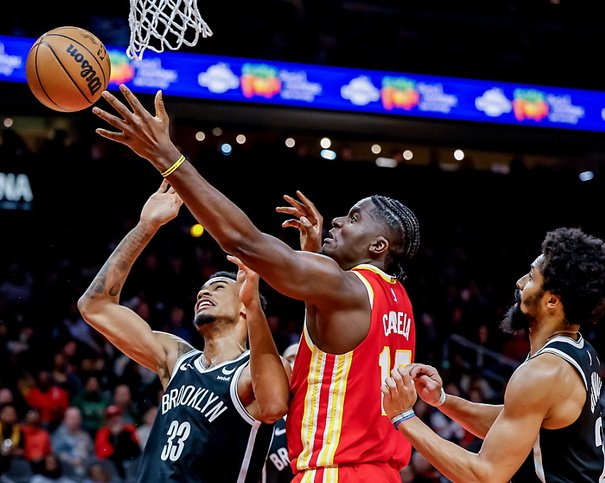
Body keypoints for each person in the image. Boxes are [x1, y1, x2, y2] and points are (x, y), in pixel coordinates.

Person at [92, 86, 421, 482]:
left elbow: (243, 241)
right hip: (376, 471)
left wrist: (166, 157)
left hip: (337, 471)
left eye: (352, 219)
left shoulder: (341, 291)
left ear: (378, 245)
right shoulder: (393, 299)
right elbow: (339, 355)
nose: (336, 220)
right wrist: (316, 260)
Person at [77, 179, 291, 482]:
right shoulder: (177, 359)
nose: (204, 293)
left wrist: (255, 305)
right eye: (202, 290)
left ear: (243, 305)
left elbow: (273, 407)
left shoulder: (252, 371)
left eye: (218, 287)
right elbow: (94, 307)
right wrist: (146, 226)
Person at [381, 227, 605, 482]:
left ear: (552, 301)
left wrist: (403, 416)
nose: (519, 282)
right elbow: (512, 421)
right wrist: (441, 400)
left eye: (531, 277)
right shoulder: (580, 351)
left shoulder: (544, 372)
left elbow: (484, 476)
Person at [263, 343, 299, 483]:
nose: (295, 364)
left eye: (299, 358)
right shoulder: (266, 417)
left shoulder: (324, 415)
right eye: (290, 359)